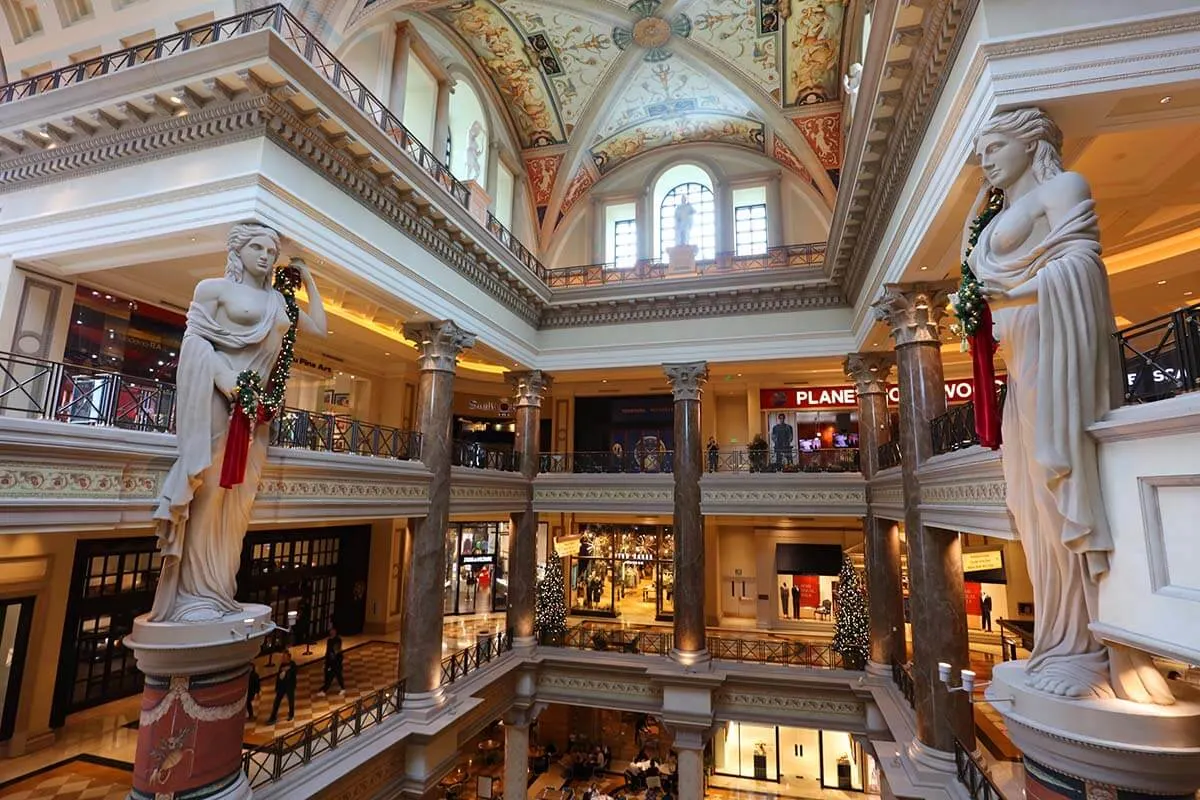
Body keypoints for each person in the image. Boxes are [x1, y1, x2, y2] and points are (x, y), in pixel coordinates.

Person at [970, 108, 1171, 705]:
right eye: (983, 149)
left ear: (1032, 145)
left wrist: (1017, 290)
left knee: (1060, 478)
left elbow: (1083, 269)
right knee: (1030, 494)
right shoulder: (1003, 212)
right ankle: (1062, 638)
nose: (985, 160)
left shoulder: (1065, 188)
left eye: (996, 145)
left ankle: (1088, 642)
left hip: (1054, 350)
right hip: (1023, 352)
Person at [149, 223, 327, 622]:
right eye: (257, 247)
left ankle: (219, 587)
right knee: (211, 486)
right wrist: (223, 378)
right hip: (219, 395)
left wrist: (309, 277)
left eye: (271, 250)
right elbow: (194, 342)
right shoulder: (214, 290)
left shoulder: (280, 304)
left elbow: (319, 326)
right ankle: (193, 595)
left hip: (256, 411)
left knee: (239, 498)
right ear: (238, 250)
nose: (265, 255)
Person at [266, 650, 298, 724]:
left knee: (291, 701)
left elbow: (293, 673)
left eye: (284, 657)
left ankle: (291, 714)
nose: (282, 658)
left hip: (289, 687)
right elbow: (278, 677)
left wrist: (287, 671)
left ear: (288, 658)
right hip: (281, 687)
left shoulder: (293, 665)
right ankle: (273, 717)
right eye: (282, 657)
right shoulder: (282, 665)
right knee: (276, 702)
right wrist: (277, 687)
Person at [317, 627, 345, 697]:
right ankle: (342, 688)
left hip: (336, 661)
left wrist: (332, 659)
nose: (331, 632)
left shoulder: (338, 640)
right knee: (336, 675)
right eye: (331, 631)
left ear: (335, 632)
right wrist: (326, 661)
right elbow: (328, 651)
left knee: (332, 675)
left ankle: (324, 691)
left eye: (333, 631)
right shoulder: (329, 640)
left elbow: (336, 651)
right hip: (330, 660)